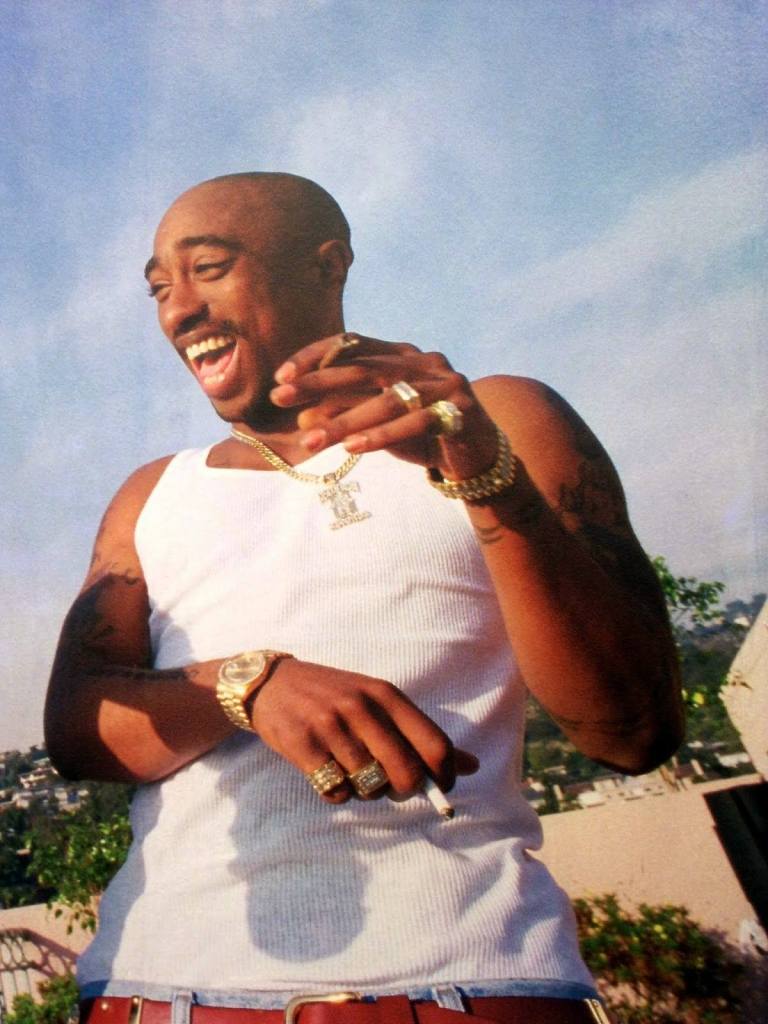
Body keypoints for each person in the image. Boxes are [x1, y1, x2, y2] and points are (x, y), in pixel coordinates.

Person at [44, 172, 683, 1024]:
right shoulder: (151, 495)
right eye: (160, 288)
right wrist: (248, 686)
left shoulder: (497, 420)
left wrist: (486, 479)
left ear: (328, 265)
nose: (179, 310)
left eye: (210, 268)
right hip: (155, 993)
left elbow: (634, 731)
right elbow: (77, 730)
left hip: (468, 985)